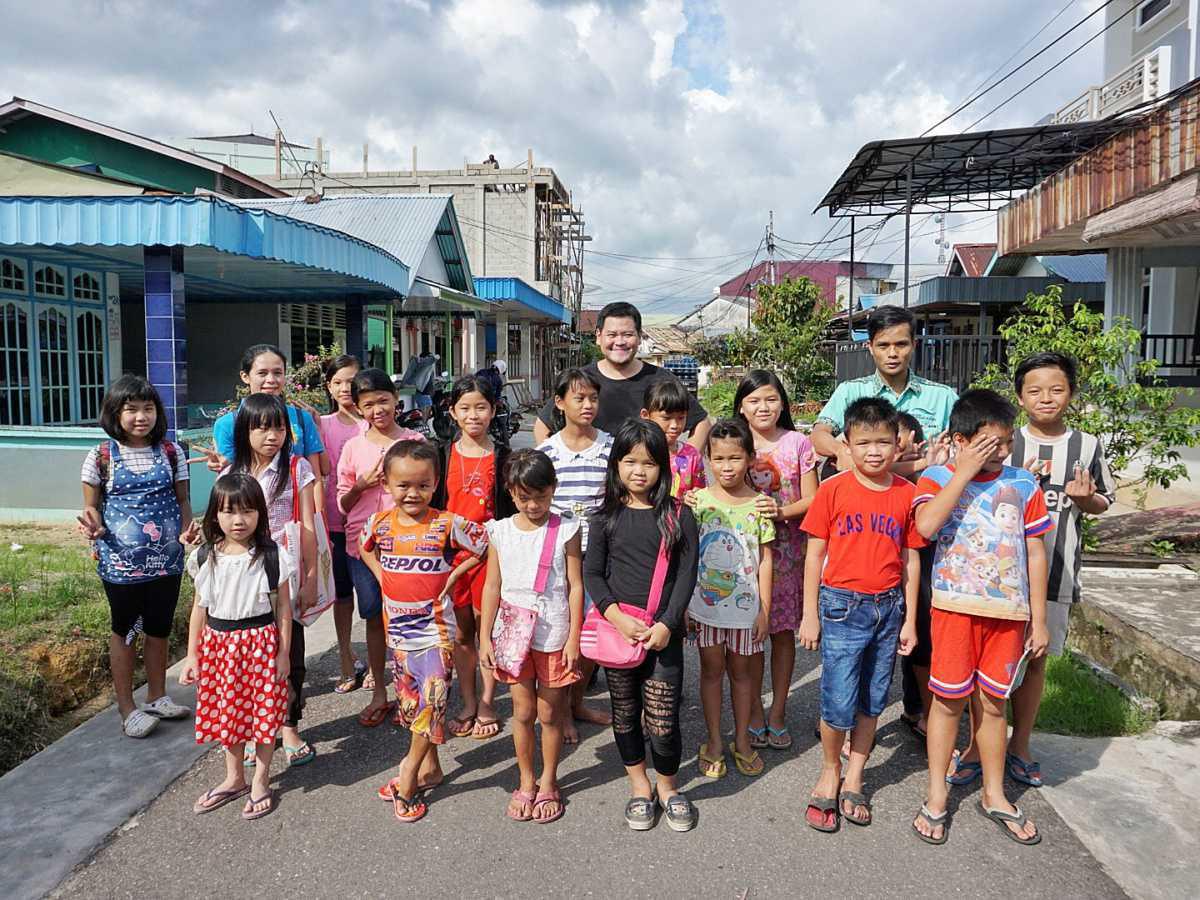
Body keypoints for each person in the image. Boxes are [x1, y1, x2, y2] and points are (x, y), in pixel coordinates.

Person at [954, 352, 1112, 788]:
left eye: (1057, 390)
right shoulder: (1005, 441)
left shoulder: (1087, 445)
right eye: (1035, 391)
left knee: (1035, 661)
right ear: (1020, 397)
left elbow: (1102, 502)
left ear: (1072, 394)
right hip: (995, 579)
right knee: (982, 666)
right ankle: (976, 744)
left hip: (1055, 571)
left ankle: (1020, 743)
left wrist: (1086, 500)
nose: (1047, 399)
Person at [911, 389, 1051, 846]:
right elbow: (927, 527)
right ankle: (936, 795)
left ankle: (994, 792)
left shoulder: (1024, 485)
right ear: (958, 439)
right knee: (948, 702)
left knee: (994, 705)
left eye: (1006, 443)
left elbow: (1034, 551)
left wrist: (1039, 618)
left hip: (1009, 614)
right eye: (988, 444)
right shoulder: (934, 476)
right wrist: (963, 471)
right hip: (953, 610)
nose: (999, 453)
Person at [811, 307, 957, 738]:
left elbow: (953, 451)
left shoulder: (941, 397)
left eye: (901, 343)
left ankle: (918, 710)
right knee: (853, 613)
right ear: (870, 347)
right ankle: (842, 712)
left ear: (915, 344)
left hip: (919, 517)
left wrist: (927, 465)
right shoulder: (851, 390)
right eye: (883, 345)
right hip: (862, 518)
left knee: (920, 612)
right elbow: (820, 433)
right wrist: (842, 454)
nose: (893, 353)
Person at [799, 398, 921, 832]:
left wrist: (908, 619)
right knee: (838, 697)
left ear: (899, 444)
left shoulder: (907, 495)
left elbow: (910, 559)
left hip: (888, 609)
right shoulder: (832, 490)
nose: (874, 451)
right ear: (846, 445)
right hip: (841, 605)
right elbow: (814, 556)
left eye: (884, 442)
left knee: (872, 697)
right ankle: (831, 770)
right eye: (864, 442)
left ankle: (856, 774)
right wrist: (809, 614)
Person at [359, 440, 488, 822]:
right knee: (413, 708)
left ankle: (408, 778)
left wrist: (455, 575)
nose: (413, 493)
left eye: (423, 485)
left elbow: (483, 544)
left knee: (430, 706)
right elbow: (363, 547)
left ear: (435, 485)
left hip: (436, 637)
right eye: (403, 485)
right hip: (397, 637)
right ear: (387, 484)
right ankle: (431, 767)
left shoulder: (447, 523)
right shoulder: (379, 524)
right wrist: (382, 575)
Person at [584, 419, 700, 832]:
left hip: (662, 634)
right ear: (616, 465)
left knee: (664, 719)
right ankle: (639, 784)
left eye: (649, 463)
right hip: (618, 633)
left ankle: (668, 786)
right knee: (625, 714)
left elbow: (687, 574)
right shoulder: (604, 518)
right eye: (630, 461)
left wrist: (669, 624)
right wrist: (613, 615)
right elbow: (592, 574)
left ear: (663, 468)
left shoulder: (679, 516)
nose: (639, 471)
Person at [78, 375, 196, 739]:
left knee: (159, 625)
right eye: (131, 409)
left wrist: (189, 531)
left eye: (148, 408)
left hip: (167, 559)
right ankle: (127, 707)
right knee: (126, 628)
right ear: (115, 413)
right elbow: (92, 507)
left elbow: (183, 501)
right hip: (120, 564)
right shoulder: (100, 455)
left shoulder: (172, 452)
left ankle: (158, 696)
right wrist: (92, 525)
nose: (140, 416)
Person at [479, 450, 584, 823]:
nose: (534, 504)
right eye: (525, 497)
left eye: (541, 495)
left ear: (553, 489)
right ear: (511, 493)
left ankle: (550, 780)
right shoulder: (500, 531)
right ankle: (525, 780)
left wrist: (574, 637)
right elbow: (492, 586)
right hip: (512, 635)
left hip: (553, 633)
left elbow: (575, 586)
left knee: (550, 713)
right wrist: (484, 638)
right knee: (522, 712)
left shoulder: (567, 529)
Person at [181, 473, 292, 821]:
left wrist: (284, 653)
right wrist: (191, 655)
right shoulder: (204, 557)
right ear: (215, 515)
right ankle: (234, 777)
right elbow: (200, 608)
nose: (238, 520)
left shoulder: (272, 556)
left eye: (247, 511)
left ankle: (260, 778)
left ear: (260, 513)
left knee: (262, 715)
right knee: (228, 716)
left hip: (260, 644)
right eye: (229, 512)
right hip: (218, 646)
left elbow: (284, 610)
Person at [222, 394, 318, 767]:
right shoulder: (231, 473)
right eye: (260, 427)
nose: (271, 435)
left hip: (286, 577)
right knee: (249, 659)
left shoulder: (298, 469)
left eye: (278, 426)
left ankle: (289, 726)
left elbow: (308, 526)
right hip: (244, 582)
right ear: (244, 431)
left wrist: (309, 578)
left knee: (289, 654)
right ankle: (253, 729)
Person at [337, 368, 425, 728]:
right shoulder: (352, 448)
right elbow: (342, 504)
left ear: (396, 399)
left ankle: (414, 689)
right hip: (362, 547)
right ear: (358, 409)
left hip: (409, 544)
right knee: (374, 616)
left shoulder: (414, 441)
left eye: (383, 401)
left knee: (411, 618)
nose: (378, 410)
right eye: (368, 404)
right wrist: (362, 485)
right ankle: (380, 692)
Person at [734, 370, 817, 749]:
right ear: (741, 407)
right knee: (750, 637)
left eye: (770, 399)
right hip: (743, 557)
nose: (762, 407)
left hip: (788, 556)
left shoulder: (799, 443)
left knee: (783, 636)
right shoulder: (734, 442)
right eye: (753, 401)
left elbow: (813, 500)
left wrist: (781, 513)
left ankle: (778, 711)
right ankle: (753, 710)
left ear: (782, 402)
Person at [433, 375, 517, 740]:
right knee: (463, 633)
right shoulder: (440, 454)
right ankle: (467, 700)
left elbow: (513, 511)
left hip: (492, 559)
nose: (473, 415)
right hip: (452, 560)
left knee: (490, 632)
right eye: (464, 408)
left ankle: (487, 701)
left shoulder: (503, 457)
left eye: (481, 407)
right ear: (452, 412)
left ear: (494, 410)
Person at [689, 419, 774, 780]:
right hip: (704, 609)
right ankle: (713, 742)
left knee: (742, 677)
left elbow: (766, 560)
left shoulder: (761, 505)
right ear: (707, 458)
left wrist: (764, 612)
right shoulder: (696, 503)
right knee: (710, 673)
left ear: (750, 459)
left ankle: (742, 741)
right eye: (719, 458)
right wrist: (683, 608)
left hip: (746, 612)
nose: (727, 466)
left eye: (735, 458)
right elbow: (687, 554)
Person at [536, 367, 613, 742]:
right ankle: (562, 709)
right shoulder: (547, 452)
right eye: (579, 398)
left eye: (593, 398)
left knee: (591, 635)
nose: (587, 405)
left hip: (601, 557)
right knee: (562, 633)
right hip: (558, 559)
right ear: (560, 402)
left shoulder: (612, 448)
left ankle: (578, 701)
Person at [534, 301, 709, 445]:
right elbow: (542, 426)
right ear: (598, 336)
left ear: (639, 337)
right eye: (612, 334)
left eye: (627, 334)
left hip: (648, 481)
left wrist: (684, 465)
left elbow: (701, 422)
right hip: (596, 483)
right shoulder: (580, 381)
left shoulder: (662, 379)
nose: (620, 342)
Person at [207, 344, 327, 511]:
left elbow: (316, 478)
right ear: (245, 376)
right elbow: (228, 482)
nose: (271, 380)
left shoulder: (301, 418)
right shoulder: (228, 424)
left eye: (277, 373)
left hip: (299, 517)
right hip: (248, 516)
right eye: (262, 373)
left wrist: (319, 522)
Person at [318, 354, 367, 694]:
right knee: (342, 598)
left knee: (376, 602)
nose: (345, 388)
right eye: (337, 382)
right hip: (334, 524)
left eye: (351, 380)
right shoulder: (320, 424)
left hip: (372, 528)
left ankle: (378, 663)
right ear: (329, 388)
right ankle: (347, 662)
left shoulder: (376, 421)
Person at [641, 379, 706, 497]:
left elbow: (701, 493)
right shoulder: (636, 453)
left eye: (681, 418)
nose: (675, 426)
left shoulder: (692, 456)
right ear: (646, 416)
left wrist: (694, 497)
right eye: (666, 418)